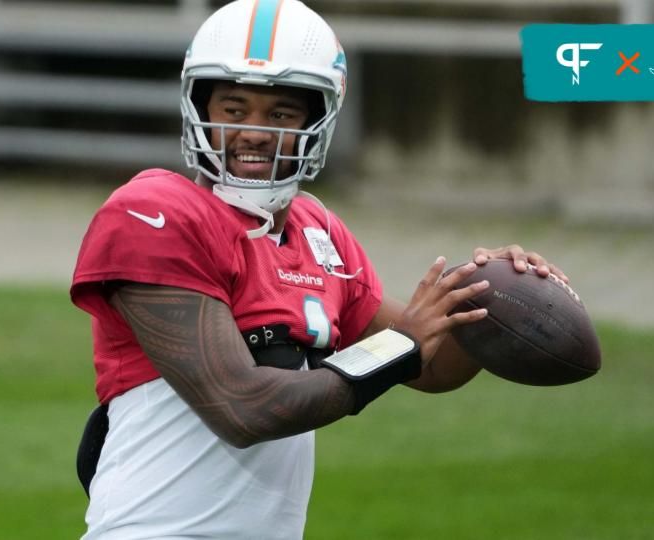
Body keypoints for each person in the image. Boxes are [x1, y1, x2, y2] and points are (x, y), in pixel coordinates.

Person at [70, 0, 568, 538]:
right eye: (234, 109)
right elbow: (242, 407)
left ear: (319, 121)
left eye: (280, 114)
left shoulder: (317, 231)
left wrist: (488, 293)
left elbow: (432, 366)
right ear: (199, 109)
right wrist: (400, 349)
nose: (255, 133)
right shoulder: (153, 212)